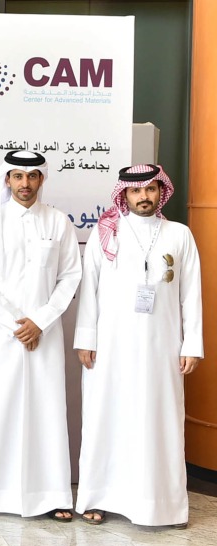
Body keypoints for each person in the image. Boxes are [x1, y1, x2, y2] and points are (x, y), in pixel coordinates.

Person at [74, 164, 203, 527]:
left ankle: (161, 506)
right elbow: (90, 291)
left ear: (161, 192)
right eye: (135, 191)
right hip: (110, 348)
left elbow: (191, 294)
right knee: (106, 418)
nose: (143, 196)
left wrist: (191, 343)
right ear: (124, 195)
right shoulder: (106, 232)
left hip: (162, 348)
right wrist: (86, 338)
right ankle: (97, 497)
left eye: (150, 190)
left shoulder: (179, 234)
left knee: (157, 420)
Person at [0, 151, 81, 521]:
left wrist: (39, 321)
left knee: (45, 412)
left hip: (43, 334)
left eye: (32, 177)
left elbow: (70, 277)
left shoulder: (58, 222)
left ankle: (52, 495)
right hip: (0, 334)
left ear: (42, 180)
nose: (25, 184)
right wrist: (18, 324)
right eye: (17, 176)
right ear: (7, 180)